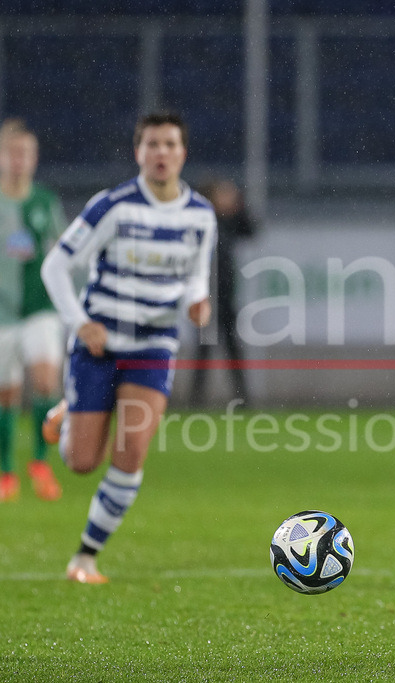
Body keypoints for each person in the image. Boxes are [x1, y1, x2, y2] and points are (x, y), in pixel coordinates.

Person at [40, 111, 216, 584]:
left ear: (182, 153)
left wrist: (197, 301)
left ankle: (85, 558)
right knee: (82, 462)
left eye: (170, 144)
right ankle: (68, 414)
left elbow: (196, 275)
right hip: (100, 346)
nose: (161, 153)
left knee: (132, 451)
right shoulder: (112, 206)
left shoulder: (201, 215)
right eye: (152, 144)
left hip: (153, 346)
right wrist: (80, 323)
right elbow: (54, 267)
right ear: (138, 152)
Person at [0, 118, 66, 502]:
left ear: (34, 158)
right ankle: (6, 470)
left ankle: (39, 463)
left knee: (45, 381)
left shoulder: (45, 202)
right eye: (13, 152)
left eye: (25, 153)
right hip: (2, 313)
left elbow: (63, 251)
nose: (19, 160)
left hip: (40, 308)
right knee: (6, 394)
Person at [189, 177, 255, 406]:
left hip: (226, 297)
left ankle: (242, 397)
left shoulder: (230, 222)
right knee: (204, 349)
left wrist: (238, 207)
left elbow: (251, 230)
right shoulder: (203, 222)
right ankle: (196, 398)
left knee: (232, 348)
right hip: (206, 296)